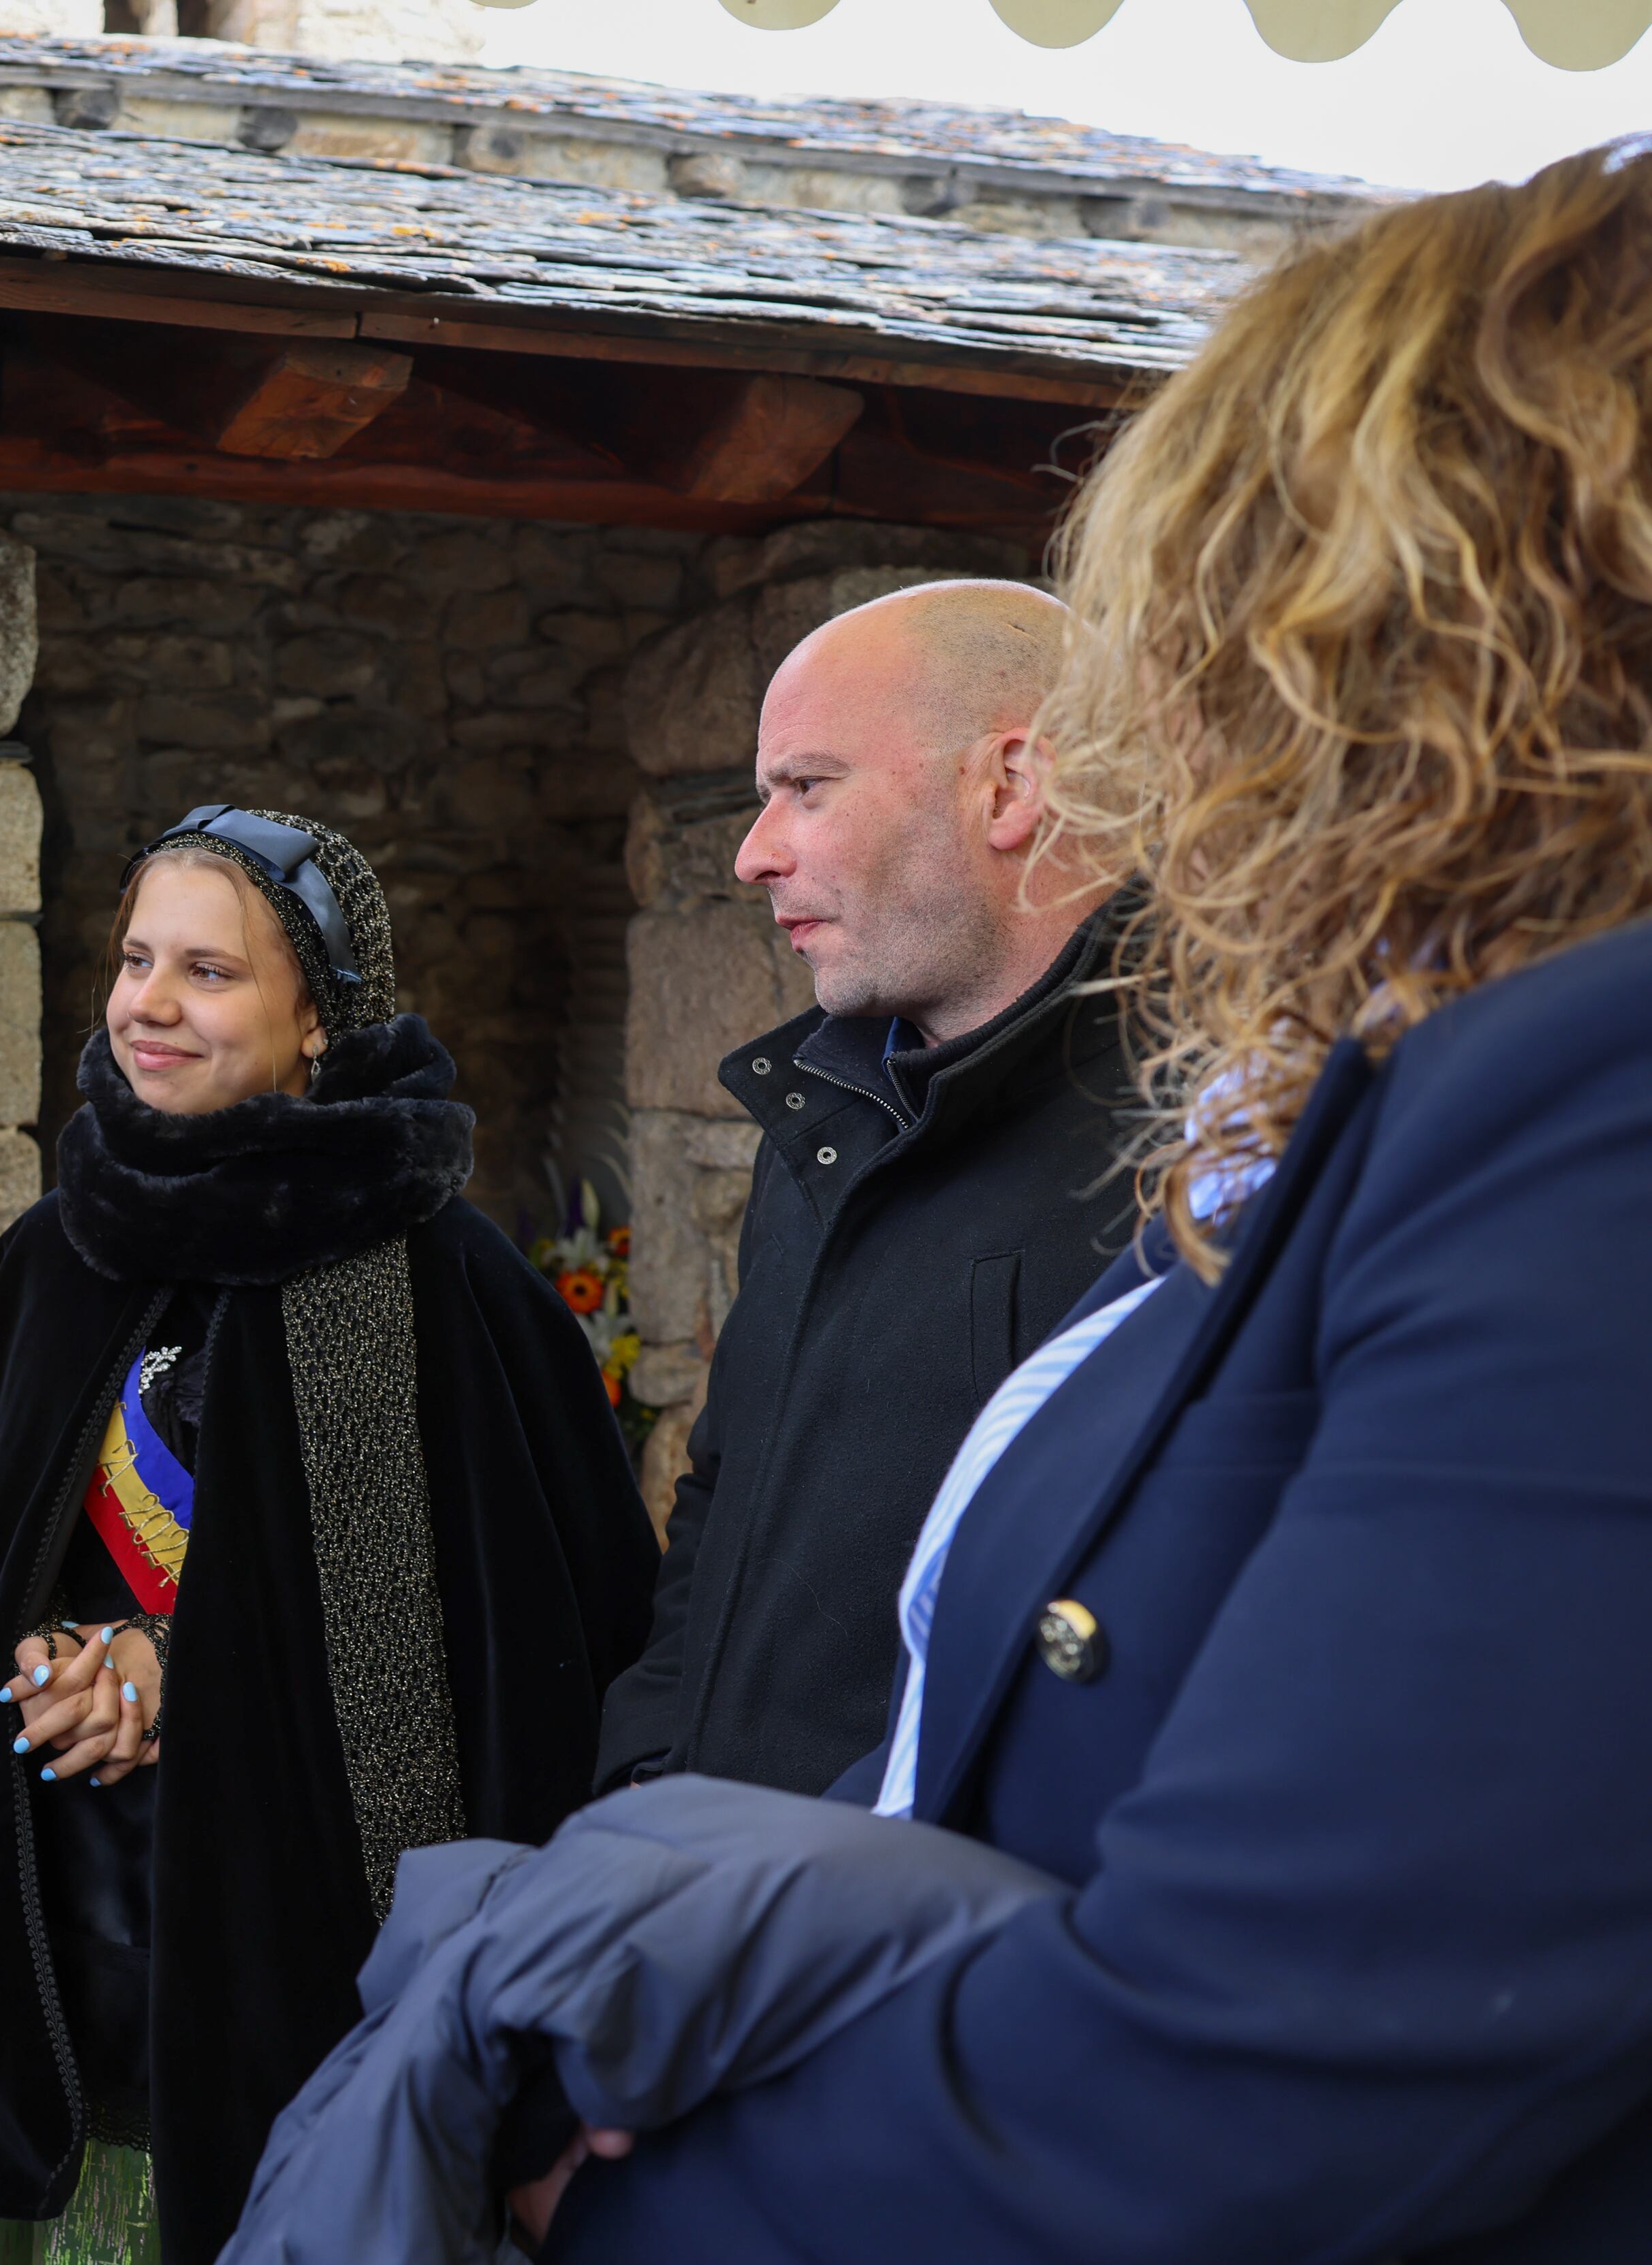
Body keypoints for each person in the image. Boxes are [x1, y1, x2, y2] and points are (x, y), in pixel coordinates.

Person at [227, 144, 1652, 2265]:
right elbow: (735, 1544)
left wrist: (597, 2188)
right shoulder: (890, 1118)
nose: (1176, 736)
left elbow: (1258, 2064)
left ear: (1411, 632)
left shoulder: (1541, 1113)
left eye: (1218, 629)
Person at [0, 805, 657, 2265]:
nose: (147, 1002)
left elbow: (518, 1667)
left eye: (209, 971)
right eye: (136, 958)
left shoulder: (448, 1289)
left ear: (318, 1015)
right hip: (55, 1958)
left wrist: (177, 1672)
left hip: (303, 1966)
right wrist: (60, 1666)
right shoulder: (55, 1259)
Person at [593, 577, 1127, 1800]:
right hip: (721, 1907)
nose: (750, 852)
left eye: (807, 787)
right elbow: (724, 1501)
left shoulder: (1200, 1157)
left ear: (1009, 786)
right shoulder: (827, 1120)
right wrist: (646, 1785)